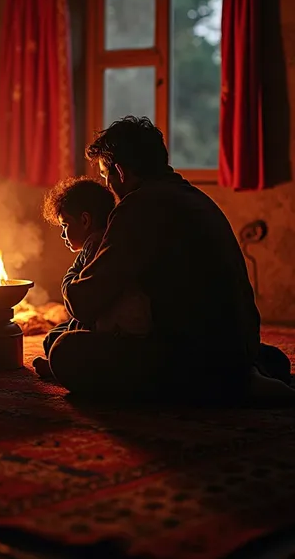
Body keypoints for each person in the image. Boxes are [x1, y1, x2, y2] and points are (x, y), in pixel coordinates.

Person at [48, 116, 293, 405]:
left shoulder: (139, 207)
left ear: (121, 172)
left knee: (64, 350)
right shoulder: (195, 197)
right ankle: (248, 371)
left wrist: (69, 278)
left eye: (105, 176)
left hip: (189, 354)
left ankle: (225, 385)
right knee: (272, 358)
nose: (108, 185)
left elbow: (85, 302)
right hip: (239, 346)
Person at [33, 176, 150, 379]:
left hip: (119, 328)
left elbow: (84, 305)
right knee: (54, 335)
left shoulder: (95, 245)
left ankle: (57, 369)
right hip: (115, 321)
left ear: (85, 221)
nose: (63, 234)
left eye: (65, 225)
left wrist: (72, 271)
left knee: (59, 342)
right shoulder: (107, 238)